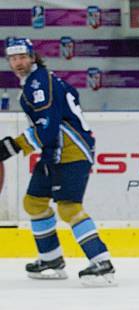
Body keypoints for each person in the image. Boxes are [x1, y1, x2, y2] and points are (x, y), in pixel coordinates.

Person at [0, 38, 114, 285]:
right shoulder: (37, 80)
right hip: (55, 151)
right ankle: (51, 259)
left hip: (72, 150)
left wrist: (12, 146)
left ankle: (102, 263)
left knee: (69, 207)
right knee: (34, 202)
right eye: (13, 58)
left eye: (22, 57)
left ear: (32, 56)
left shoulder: (39, 83)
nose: (18, 62)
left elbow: (48, 127)